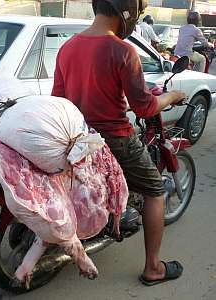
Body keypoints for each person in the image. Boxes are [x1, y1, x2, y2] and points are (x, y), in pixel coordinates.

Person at [52, 0, 185, 286]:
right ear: (129, 11)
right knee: (154, 189)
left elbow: (59, 100)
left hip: (78, 138)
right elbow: (145, 108)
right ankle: (153, 268)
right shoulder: (123, 50)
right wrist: (172, 97)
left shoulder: (67, 48)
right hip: (115, 140)